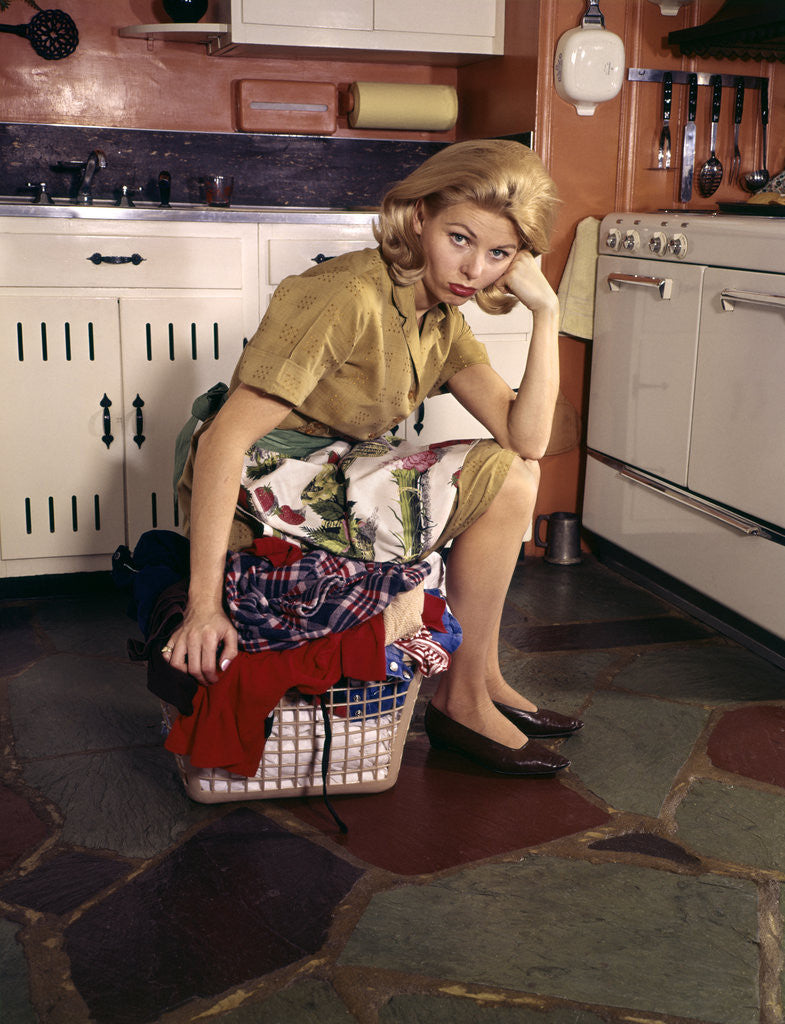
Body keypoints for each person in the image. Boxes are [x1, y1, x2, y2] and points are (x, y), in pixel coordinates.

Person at [166, 138, 583, 777]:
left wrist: (547, 311)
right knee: (505, 482)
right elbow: (224, 439)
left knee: (517, 467)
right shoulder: (347, 295)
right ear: (419, 217)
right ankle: (463, 700)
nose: (473, 269)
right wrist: (204, 607)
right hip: (269, 477)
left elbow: (525, 436)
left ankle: (481, 679)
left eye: (497, 253)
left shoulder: (440, 314)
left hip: (334, 470)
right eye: (460, 238)